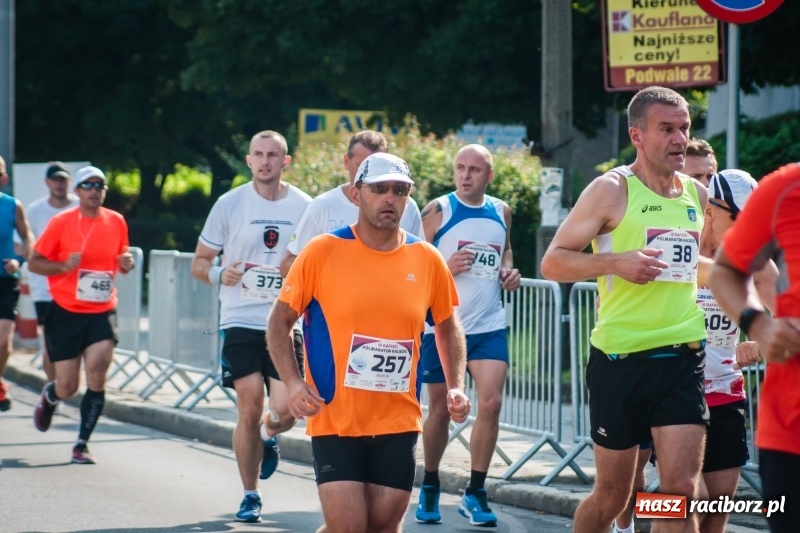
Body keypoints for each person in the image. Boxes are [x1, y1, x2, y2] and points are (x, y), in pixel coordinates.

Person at [267, 152, 471, 533]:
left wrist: (455, 385)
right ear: (357, 192)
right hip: (335, 418)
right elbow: (279, 322)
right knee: (348, 528)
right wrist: (293, 383)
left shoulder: (426, 259)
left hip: (398, 420)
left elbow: (446, 325)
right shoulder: (322, 251)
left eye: (400, 190)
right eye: (379, 189)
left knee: (381, 528)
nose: (390, 198)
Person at [540, 86, 708, 533]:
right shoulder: (611, 189)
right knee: (613, 497)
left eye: (685, 128)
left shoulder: (696, 194)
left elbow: (695, 266)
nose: (679, 139)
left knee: (683, 491)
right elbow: (553, 261)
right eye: (667, 129)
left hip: (681, 355)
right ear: (637, 135)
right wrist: (616, 262)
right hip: (620, 359)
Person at [190, 130, 311, 523]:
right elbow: (199, 263)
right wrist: (219, 274)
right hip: (240, 317)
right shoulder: (230, 204)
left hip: (286, 319)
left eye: (273, 155)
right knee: (250, 404)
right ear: (248, 161)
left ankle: (267, 434)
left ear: (285, 161)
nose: (265, 162)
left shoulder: (305, 206)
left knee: (287, 410)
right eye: (258, 154)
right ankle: (250, 494)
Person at [415, 143, 521, 527]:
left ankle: (476, 491)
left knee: (490, 403)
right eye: (460, 168)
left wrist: (510, 271)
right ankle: (429, 483)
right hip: (443, 327)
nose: (466, 175)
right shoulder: (438, 210)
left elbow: (505, 251)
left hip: (489, 324)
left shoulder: (501, 210)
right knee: (441, 409)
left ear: (489, 176)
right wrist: (444, 265)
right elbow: (410, 258)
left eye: (475, 169)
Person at [710, 162, 800, 533]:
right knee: (681, 501)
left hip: (724, 395)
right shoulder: (783, 189)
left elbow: (762, 277)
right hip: (789, 429)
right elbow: (726, 270)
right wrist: (757, 324)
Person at [29, 165, 134, 464]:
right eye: (87, 185)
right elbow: (35, 262)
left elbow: (122, 261)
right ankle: (51, 396)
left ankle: (81, 443)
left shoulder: (116, 221)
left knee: (98, 369)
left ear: (104, 191)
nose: (94, 190)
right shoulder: (61, 223)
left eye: (99, 185)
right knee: (68, 386)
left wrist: (126, 263)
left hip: (101, 309)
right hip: (64, 311)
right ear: (77, 191)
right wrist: (62, 267)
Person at [278, 129, 423, 278]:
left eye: (378, 168)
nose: (368, 174)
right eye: (362, 166)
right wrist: (338, 273)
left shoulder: (407, 206)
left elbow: (421, 263)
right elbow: (287, 266)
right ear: (347, 161)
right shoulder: (322, 206)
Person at [26, 162, 79, 381]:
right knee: (50, 343)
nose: (59, 184)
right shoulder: (35, 210)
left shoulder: (80, 206)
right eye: (55, 180)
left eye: (63, 179)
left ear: (69, 182)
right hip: (45, 287)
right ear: (47, 182)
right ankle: (52, 390)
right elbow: (27, 245)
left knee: (74, 343)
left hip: (77, 286)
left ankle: (64, 385)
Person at [0, 156, 34, 412]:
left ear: (4, 178)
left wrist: (19, 260)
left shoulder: (12, 205)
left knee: (2, 340)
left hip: (5, 279)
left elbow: (27, 236)